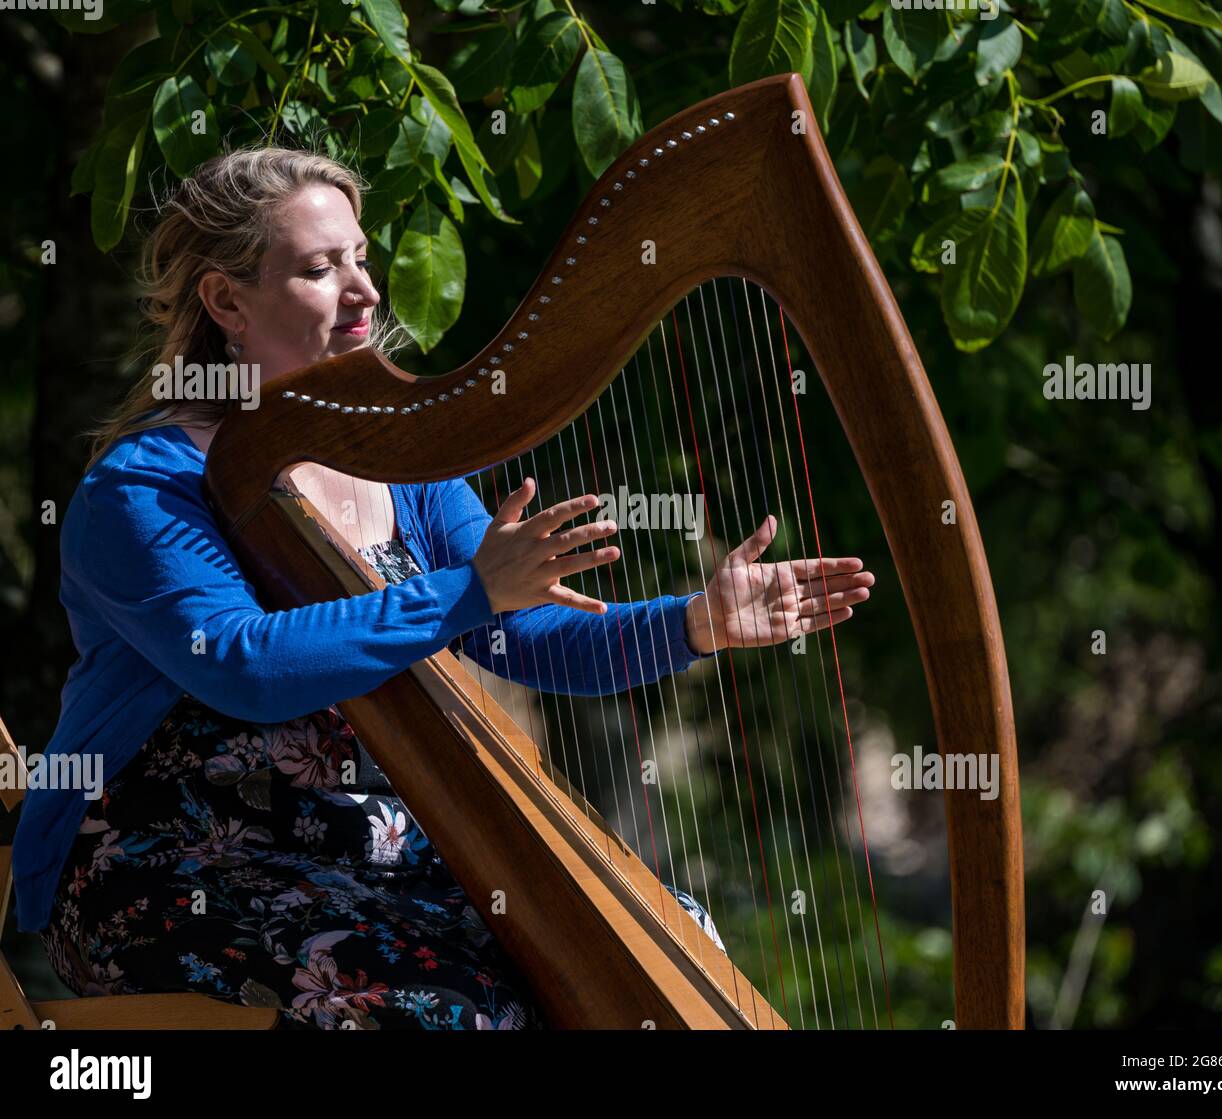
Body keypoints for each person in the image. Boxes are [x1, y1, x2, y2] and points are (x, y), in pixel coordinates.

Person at [12, 147, 875, 1030]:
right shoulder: (145, 486)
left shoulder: (402, 467)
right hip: (181, 869)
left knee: (672, 943)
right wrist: (463, 594)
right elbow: (242, 664)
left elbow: (524, 633)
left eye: (359, 257)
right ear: (226, 301)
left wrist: (696, 621)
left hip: (381, 862)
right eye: (319, 268)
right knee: (450, 1014)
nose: (365, 292)